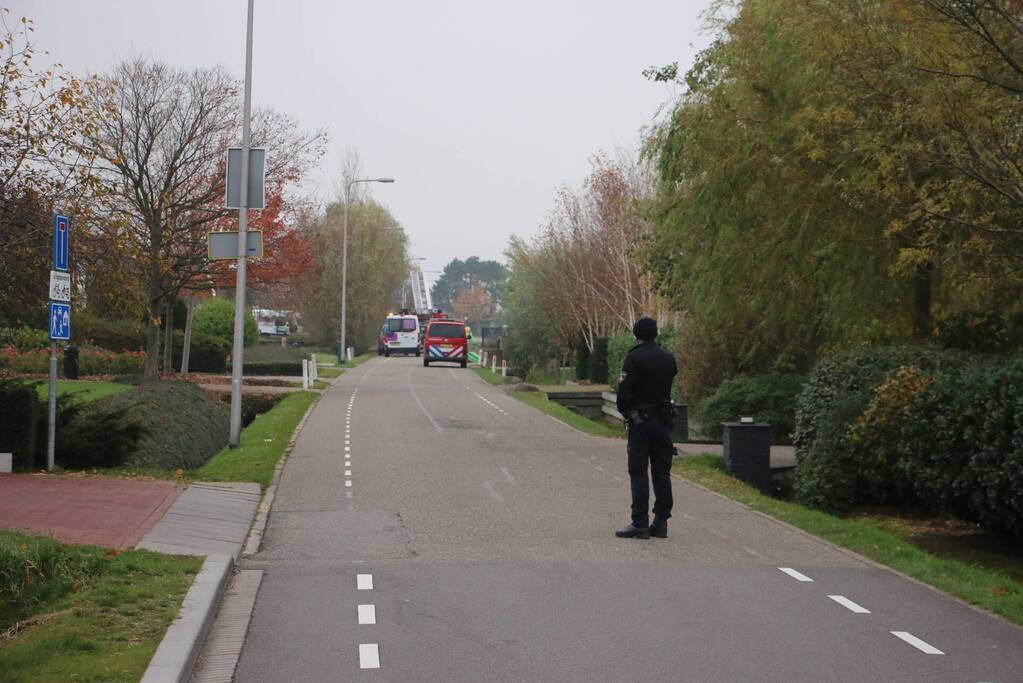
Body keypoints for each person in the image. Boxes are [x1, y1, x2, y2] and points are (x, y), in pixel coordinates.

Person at [614, 317, 678, 539]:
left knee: (639, 472)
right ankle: (661, 522)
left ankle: (639, 523)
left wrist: (626, 411)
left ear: (637, 334)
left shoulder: (634, 358)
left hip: (641, 422)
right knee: (662, 472)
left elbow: (624, 394)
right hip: (664, 421)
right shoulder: (668, 357)